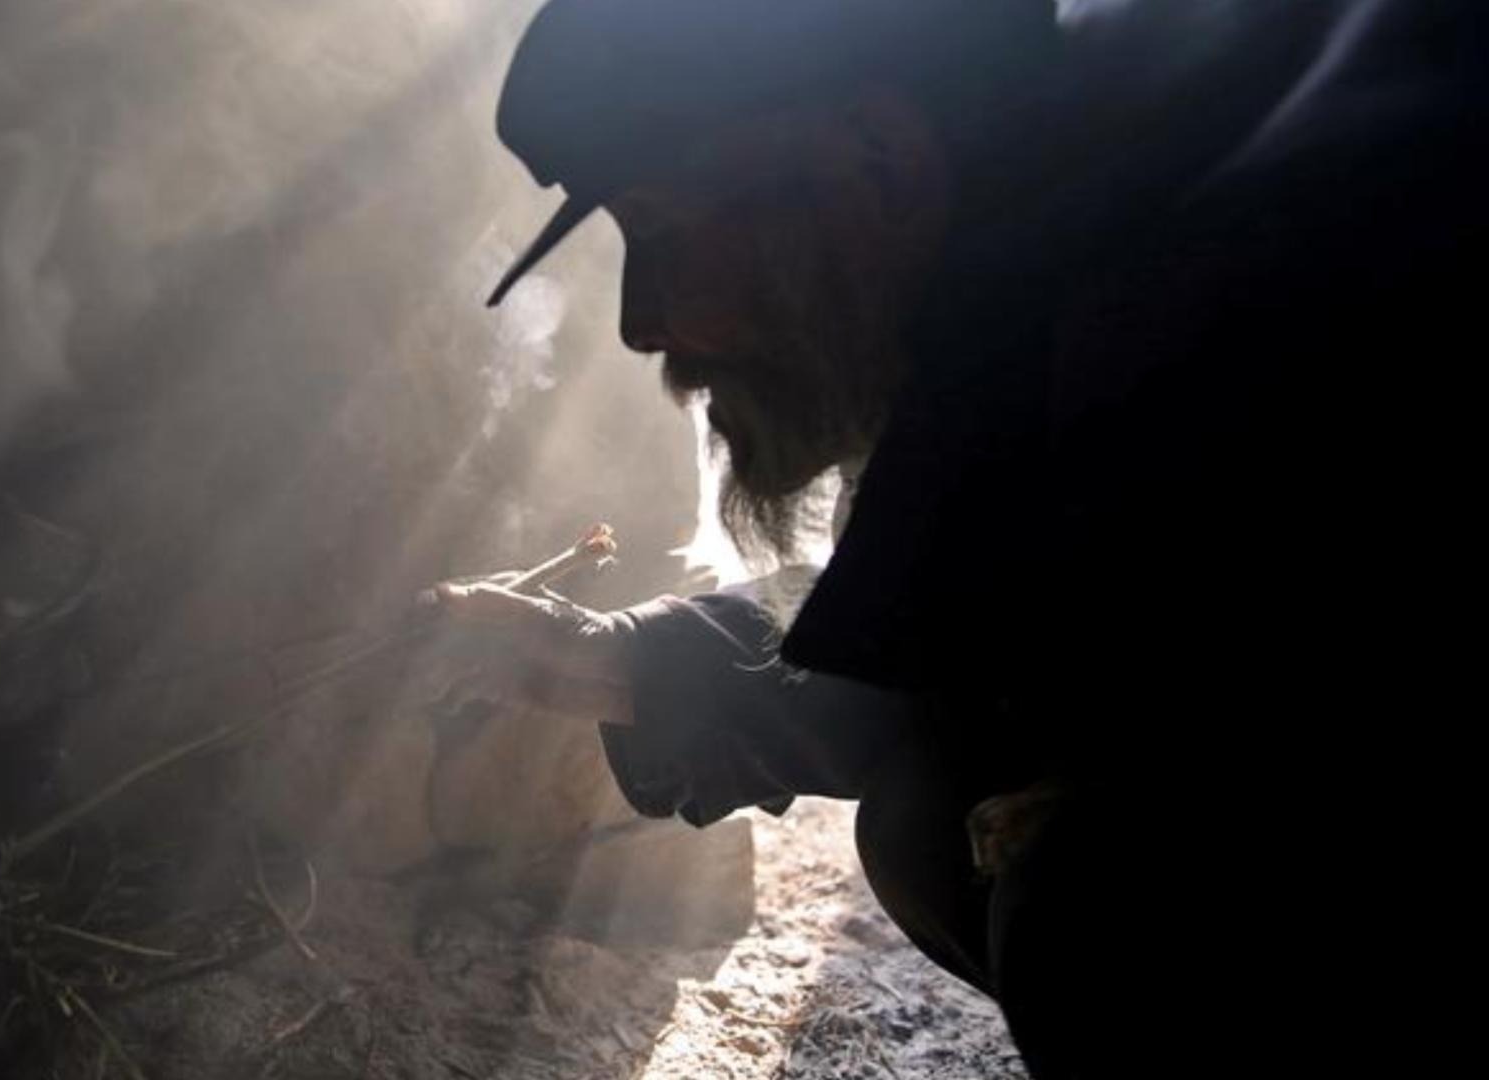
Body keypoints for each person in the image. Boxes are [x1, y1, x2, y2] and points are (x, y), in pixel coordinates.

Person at [437, 0, 1486, 1076]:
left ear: (877, 161)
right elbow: (994, 607)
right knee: (936, 816)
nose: (638, 320)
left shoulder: (1272, 285)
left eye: (659, 230)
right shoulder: (1099, 211)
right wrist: (623, 663)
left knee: (1100, 905)